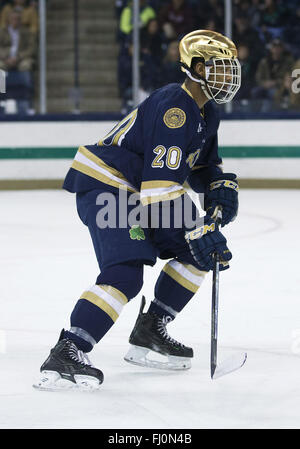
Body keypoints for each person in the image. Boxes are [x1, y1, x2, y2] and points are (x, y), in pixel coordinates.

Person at [34, 30, 241, 391]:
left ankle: (151, 328)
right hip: (109, 185)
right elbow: (160, 189)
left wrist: (216, 187)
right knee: (125, 275)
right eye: (220, 68)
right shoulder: (175, 107)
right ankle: (69, 349)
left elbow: (200, 167)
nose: (229, 76)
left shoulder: (208, 113)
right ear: (196, 67)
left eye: (231, 68)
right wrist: (198, 226)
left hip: (140, 189)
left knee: (197, 255)